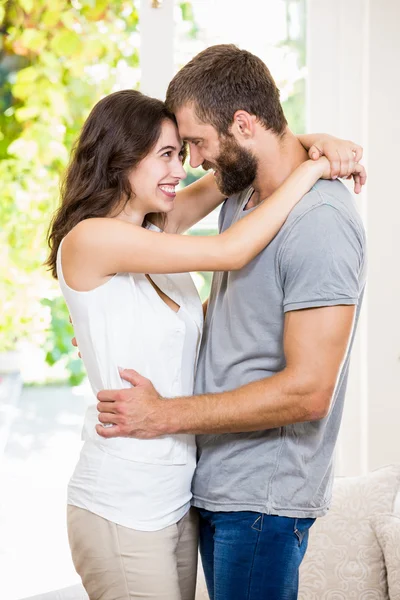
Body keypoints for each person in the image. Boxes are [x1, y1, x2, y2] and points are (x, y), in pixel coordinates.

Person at [94, 46, 367, 600]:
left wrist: (164, 416)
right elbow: (219, 281)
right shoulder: (243, 194)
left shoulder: (321, 223)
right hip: (218, 483)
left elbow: (310, 392)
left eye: (196, 142)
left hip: (262, 497)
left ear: (242, 124)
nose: (193, 161)